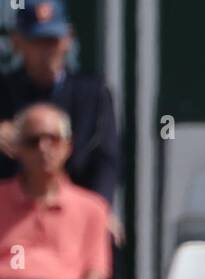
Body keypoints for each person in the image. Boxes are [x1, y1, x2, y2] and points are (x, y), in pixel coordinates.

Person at [0, 103, 129, 279]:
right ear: (16, 149)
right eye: (32, 141)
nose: (43, 149)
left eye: (53, 140)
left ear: (68, 147)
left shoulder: (92, 208)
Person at [0, 0, 120, 206]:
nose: (45, 51)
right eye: (36, 42)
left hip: (75, 208)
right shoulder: (3, 92)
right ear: (17, 42)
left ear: (68, 39)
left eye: (52, 41)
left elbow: (105, 161)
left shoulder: (92, 94)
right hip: (10, 211)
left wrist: (100, 210)